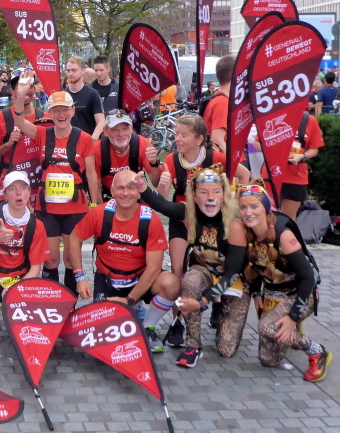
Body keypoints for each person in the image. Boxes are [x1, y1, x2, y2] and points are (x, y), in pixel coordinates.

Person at [132, 164, 250, 367]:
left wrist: (203, 302)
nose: (210, 198)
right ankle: (193, 345)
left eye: (216, 192)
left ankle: (221, 310)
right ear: (195, 196)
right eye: (203, 192)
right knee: (190, 279)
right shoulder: (189, 213)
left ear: (224, 195)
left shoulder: (234, 224)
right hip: (204, 272)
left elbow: (231, 274)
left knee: (226, 349)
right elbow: (163, 206)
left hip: (232, 282)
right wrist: (142, 186)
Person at [69, 169, 179, 353]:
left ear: (139, 192)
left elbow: (154, 268)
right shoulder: (99, 213)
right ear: (112, 191)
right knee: (104, 342)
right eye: (120, 188)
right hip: (108, 279)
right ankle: (127, 312)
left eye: (131, 188)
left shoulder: (150, 220)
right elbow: (74, 238)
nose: (126, 193)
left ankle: (147, 326)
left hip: (140, 279)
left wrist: (129, 300)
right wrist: (80, 277)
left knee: (171, 283)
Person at [11, 70, 100, 294]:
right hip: (47, 208)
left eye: (65, 109)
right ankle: (51, 300)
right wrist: (20, 96)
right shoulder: (43, 134)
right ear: (49, 112)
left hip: (75, 209)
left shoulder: (84, 139)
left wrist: (96, 205)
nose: (61, 114)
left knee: (70, 259)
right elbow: (20, 121)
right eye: (56, 110)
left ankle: (69, 304)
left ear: (72, 111)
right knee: (50, 260)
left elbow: (91, 175)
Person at [161, 115, 250, 328]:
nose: (178, 139)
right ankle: (178, 321)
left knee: (212, 265)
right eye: (176, 134)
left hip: (211, 223)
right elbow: (162, 201)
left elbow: (244, 174)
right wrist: (163, 185)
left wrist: (235, 202)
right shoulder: (171, 160)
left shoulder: (215, 157)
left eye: (184, 135)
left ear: (199, 138)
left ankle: (216, 302)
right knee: (177, 269)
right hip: (182, 220)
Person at [237, 184, 331, 381]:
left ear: (266, 208)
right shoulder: (247, 233)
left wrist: (293, 316)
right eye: (243, 207)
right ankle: (291, 330)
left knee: (266, 327)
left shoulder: (283, 234)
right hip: (273, 294)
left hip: (300, 294)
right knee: (268, 360)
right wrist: (256, 293)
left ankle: (317, 351)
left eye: (254, 206)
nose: (248, 212)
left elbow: (308, 277)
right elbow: (255, 266)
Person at [0, 171, 50, 350]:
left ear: (29, 193)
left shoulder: (36, 225)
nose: (18, 193)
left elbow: (35, 268)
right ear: (5, 194)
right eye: (12, 189)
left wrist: (18, 288)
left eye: (23, 188)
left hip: (19, 278)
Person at [0, 68, 51, 205]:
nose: (26, 90)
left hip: (39, 184)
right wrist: (7, 144)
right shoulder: (0, 118)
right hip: (12, 186)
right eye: (21, 86)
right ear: (12, 91)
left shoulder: (45, 118)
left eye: (30, 86)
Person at [254, 111, 323, 220]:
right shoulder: (273, 116)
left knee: (288, 218)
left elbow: (314, 149)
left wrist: (302, 156)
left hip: (296, 175)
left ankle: (286, 232)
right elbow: (256, 143)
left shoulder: (308, 120)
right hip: (272, 173)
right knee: (266, 213)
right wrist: (275, 154)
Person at [94, 109, 161, 200]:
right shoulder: (97, 149)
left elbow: (156, 183)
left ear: (131, 128)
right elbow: (96, 187)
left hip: (136, 195)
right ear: (105, 131)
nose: (121, 134)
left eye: (125, 129)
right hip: (109, 196)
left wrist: (154, 163)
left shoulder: (143, 144)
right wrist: (100, 207)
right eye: (115, 130)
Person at [201, 55, 236, 153]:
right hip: (225, 158)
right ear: (234, 73)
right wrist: (233, 160)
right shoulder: (222, 102)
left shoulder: (218, 97)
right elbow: (217, 139)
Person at [65, 56, 103, 141]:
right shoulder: (63, 95)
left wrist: (92, 140)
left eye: (74, 70)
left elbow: (101, 121)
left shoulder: (92, 94)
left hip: (87, 141)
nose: (70, 73)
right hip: (67, 143)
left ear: (82, 70)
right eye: (68, 70)